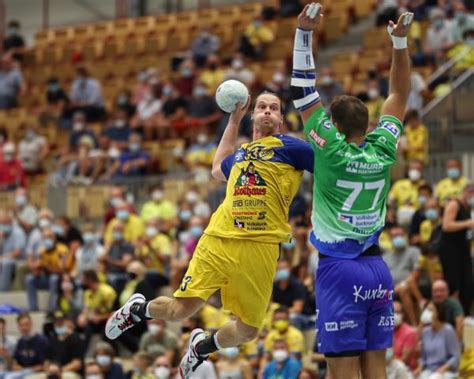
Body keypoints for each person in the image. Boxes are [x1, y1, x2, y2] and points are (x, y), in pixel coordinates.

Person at [106, 89, 314, 379]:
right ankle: (138, 310)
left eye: (274, 108)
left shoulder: (292, 147)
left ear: (281, 119)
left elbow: (328, 167)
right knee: (181, 311)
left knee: (249, 330)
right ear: (253, 115)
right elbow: (217, 168)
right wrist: (233, 121)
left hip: (262, 246)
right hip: (219, 238)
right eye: (262, 106)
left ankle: (203, 347)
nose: (267, 110)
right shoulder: (240, 153)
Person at [292, 4, 414, 377]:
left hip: (340, 271)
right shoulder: (383, 148)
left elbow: (302, 89)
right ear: (366, 123)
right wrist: (399, 43)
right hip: (378, 270)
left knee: (341, 371)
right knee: (376, 370)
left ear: (334, 127)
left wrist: (303, 33)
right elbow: (399, 93)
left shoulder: (330, 148)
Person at [439, 183, 474, 314]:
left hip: (463, 249)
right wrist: (468, 223)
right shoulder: (454, 204)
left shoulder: (467, 207)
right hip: (451, 250)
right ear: (468, 192)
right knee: (454, 284)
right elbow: (446, 225)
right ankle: (452, 315)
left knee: (468, 284)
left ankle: (464, 315)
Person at [415, 302, 460, 378]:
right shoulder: (425, 332)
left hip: (447, 371)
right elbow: (423, 357)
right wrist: (419, 367)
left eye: (431, 310)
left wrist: (443, 368)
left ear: (438, 313)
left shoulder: (448, 330)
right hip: (430, 370)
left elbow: (455, 356)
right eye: (426, 310)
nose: (427, 313)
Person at [4, 313, 49, 379]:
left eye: (26, 325)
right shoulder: (21, 341)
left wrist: (25, 369)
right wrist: (8, 358)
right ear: (18, 326)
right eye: (21, 325)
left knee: (9, 377)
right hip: (22, 371)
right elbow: (15, 362)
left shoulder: (41, 341)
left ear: (31, 324)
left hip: (34, 372)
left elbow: (44, 364)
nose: (24, 328)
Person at [0, 209, 26, 291]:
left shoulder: (18, 232)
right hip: (3, 258)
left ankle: (2, 292)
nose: (2, 225)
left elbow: (17, 252)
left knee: (5, 263)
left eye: (4, 223)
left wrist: (3, 257)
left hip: (17, 260)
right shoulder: (2, 233)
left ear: (9, 221)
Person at [392, 300, 417, 370]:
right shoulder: (385, 330)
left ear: (402, 314)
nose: (394, 315)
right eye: (392, 312)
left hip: (405, 368)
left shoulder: (410, 332)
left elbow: (404, 359)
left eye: (397, 312)